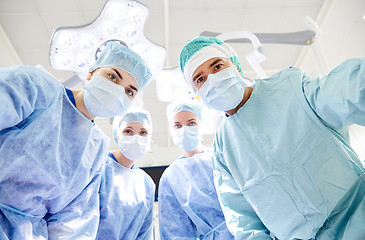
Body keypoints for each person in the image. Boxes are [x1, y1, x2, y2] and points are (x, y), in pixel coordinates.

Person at [178, 36, 365, 240]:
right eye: (200, 78)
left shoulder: (291, 87)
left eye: (218, 66)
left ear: (236, 66)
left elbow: (345, 91)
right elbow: (243, 222)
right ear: (197, 92)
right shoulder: (223, 150)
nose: (212, 79)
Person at [0, 41, 152, 240]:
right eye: (112, 77)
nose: (118, 91)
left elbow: (73, 220)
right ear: (90, 74)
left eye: (129, 91)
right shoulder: (38, 87)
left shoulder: (96, 149)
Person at [158, 99, 234, 240]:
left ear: (201, 125)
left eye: (191, 123)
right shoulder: (171, 177)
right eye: (177, 125)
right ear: (172, 131)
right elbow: (174, 231)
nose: (185, 129)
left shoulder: (221, 157)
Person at [96, 107, 155, 240]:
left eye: (143, 132)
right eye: (128, 131)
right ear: (117, 134)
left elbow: (144, 233)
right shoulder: (99, 170)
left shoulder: (146, 184)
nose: (136, 138)